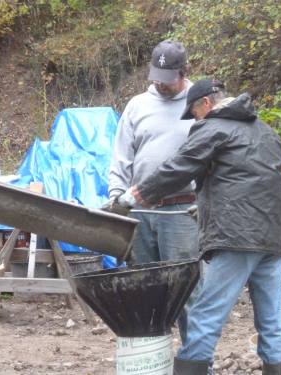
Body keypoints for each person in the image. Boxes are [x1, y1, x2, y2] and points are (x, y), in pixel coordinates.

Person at [124, 79, 281, 375]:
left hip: (237, 238)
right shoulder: (267, 132)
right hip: (272, 238)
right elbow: (254, 179)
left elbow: (181, 165)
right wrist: (207, 205)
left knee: (206, 315)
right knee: (271, 320)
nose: (194, 119)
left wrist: (139, 193)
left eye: (194, 113)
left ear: (207, 104)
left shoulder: (213, 127)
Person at [105, 40, 199, 341]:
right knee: (143, 289)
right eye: (156, 77)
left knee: (187, 291)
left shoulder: (200, 102)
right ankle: (150, 359)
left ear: (184, 72)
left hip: (182, 211)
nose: (160, 84)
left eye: (167, 79)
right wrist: (115, 199)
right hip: (139, 212)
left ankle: (195, 364)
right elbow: (121, 156)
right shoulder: (137, 105)